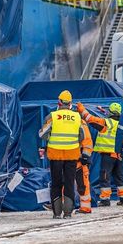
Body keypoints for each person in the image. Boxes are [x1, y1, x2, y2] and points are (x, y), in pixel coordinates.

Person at [38, 90, 84, 219]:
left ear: (59, 102)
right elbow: (82, 136)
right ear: (70, 103)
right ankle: (68, 213)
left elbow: (42, 134)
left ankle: (57, 213)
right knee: (69, 182)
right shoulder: (77, 117)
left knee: (56, 183)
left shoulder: (52, 116)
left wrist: (51, 137)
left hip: (55, 154)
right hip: (72, 154)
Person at [77, 101, 123, 206]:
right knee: (120, 176)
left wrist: (81, 109)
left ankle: (105, 199)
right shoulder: (122, 123)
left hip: (108, 155)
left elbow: (90, 119)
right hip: (119, 155)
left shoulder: (106, 123)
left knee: (105, 176)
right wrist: (103, 111)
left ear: (110, 113)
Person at [75, 119, 93, 214]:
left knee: (82, 184)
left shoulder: (80, 123)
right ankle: (64, 206)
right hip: (74, 158)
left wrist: (85, 156)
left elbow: (87, 141)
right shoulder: (79, 122)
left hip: (77, 159)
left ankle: (85, 207)